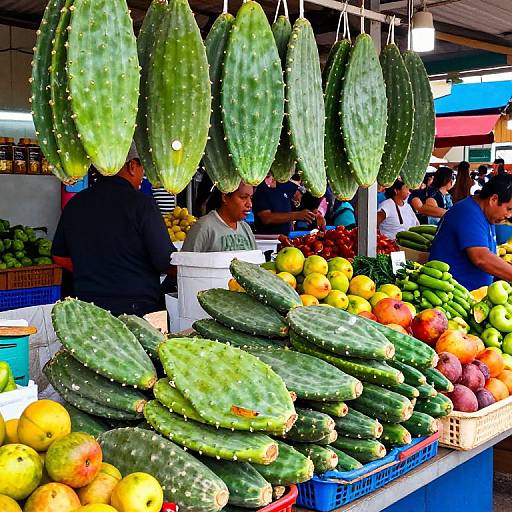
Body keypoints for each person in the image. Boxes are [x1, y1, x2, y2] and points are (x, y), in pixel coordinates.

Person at [52, 144, 175, 317]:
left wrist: (93, 270)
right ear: (132, 166)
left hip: (87, 309)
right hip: (136, 312)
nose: (142, 175)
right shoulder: (142, 204)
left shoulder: (75, 203)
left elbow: (59, 256)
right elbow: (164, 260)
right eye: (142, 168)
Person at [430, 174, 512, 290]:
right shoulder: (468, 213)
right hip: (453, 299)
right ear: (493, 199)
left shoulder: (487, 214)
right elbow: (481, 258)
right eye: (509, 209)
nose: (509, 215)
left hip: (475, 297)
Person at [182, 182, 257, 252]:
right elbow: (185, 262)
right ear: (225, 197)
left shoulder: (246, 228)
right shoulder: (203, 227)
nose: (249, 204)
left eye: (251, 198)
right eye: (243, 197)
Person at [252, 176, 316, 235]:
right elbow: (266, 218)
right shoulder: (261, 188)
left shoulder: (286, 185)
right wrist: (297, 215)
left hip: (285, 239)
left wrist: (315, 215)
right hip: (267, 242)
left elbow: (301, 194)